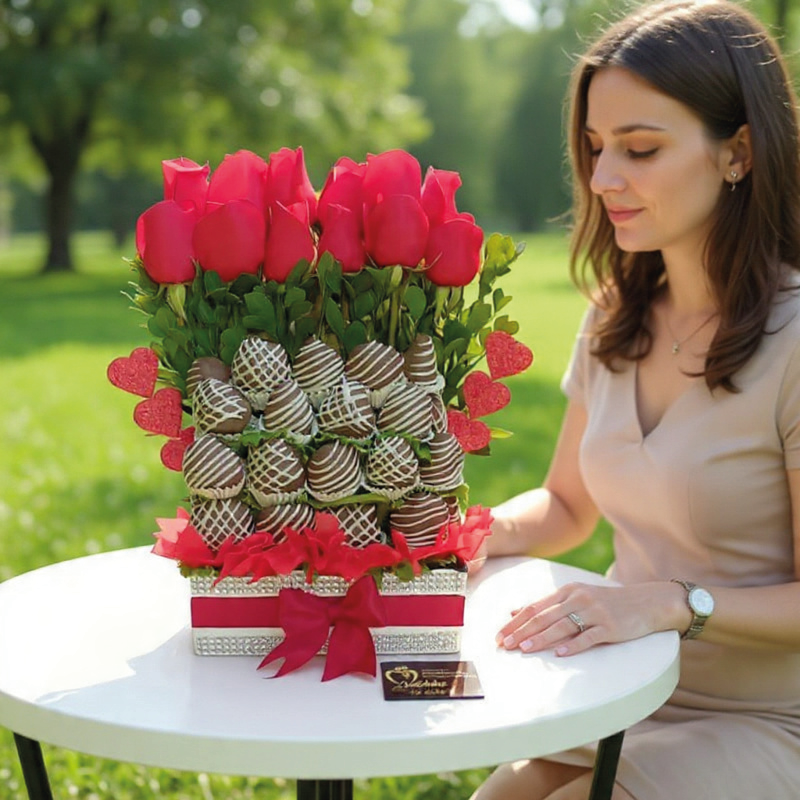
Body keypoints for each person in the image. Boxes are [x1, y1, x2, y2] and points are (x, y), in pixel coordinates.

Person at [470, 1, 800, 798]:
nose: (602, 178)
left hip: (770, 721)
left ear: (739, 153)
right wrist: (481, 532)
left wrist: (672, 604)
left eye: (640, 148)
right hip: (621, 688)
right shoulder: (613, 319)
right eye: (594, 147)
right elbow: (564, 505)